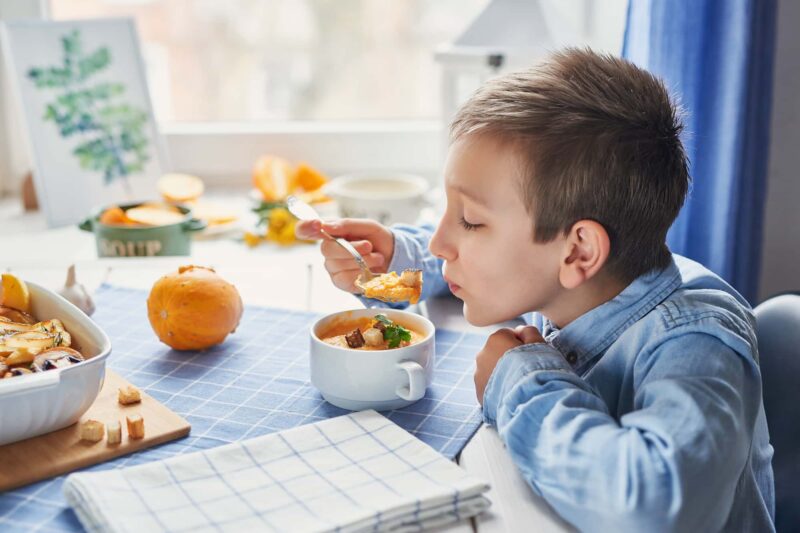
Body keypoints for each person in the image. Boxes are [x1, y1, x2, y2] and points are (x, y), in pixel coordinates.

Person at [295, 48, 774, 532]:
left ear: (578, 252)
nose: (442, 240)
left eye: (471, 221)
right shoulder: (589, 278)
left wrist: (521, 381)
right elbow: (502, 261)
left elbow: (651, 508)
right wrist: (398, 259)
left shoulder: (695, 342)